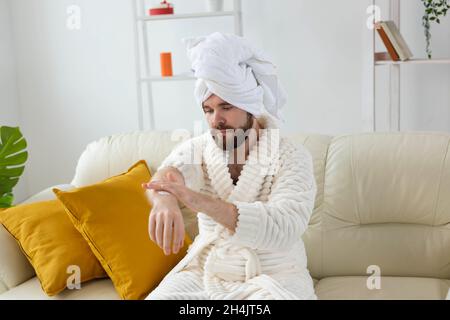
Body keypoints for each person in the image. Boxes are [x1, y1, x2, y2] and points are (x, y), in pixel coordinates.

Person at [142, 32, 317, 300]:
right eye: (209, 110)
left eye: (226, 107)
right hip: (207, 273)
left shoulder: (292, 156)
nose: (216, 120)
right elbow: (169, 173)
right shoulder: (200, 148)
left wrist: (197, 200)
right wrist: (164, 198)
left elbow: (284, 226)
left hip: (273, 276)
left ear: (250, 107)